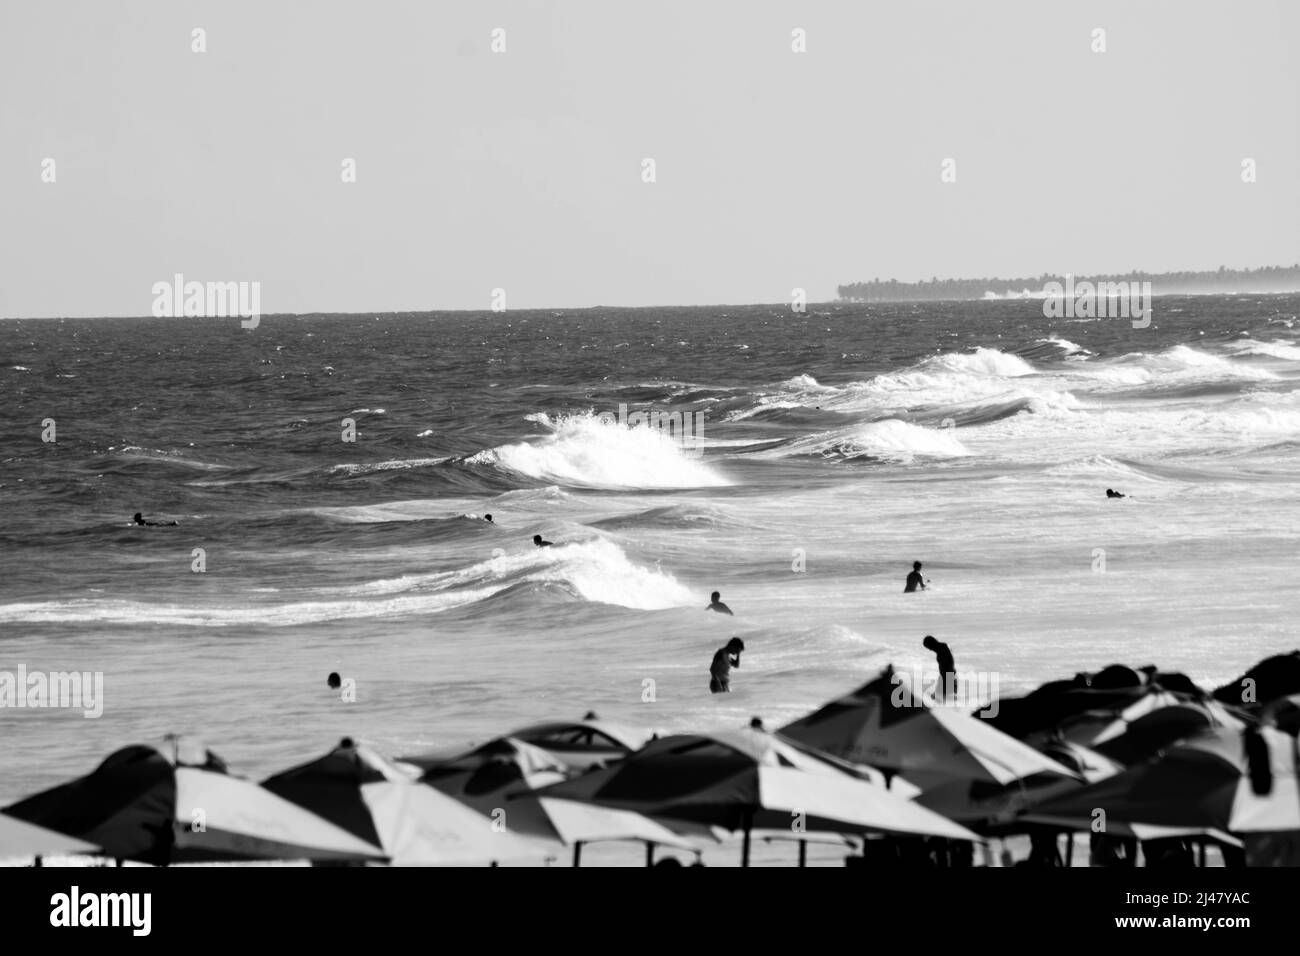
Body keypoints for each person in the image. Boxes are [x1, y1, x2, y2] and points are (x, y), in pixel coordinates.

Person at [922, 635, 956, 701]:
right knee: (939, 696)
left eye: (929, 647)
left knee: (945, 698)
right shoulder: (944, 646)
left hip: (948, 677)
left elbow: (948, 666)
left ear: (932, 644)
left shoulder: (942, 651)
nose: (929, 650)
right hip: (948, 676)